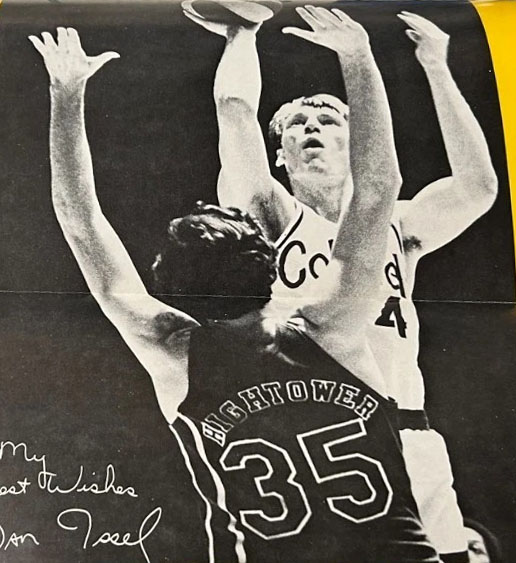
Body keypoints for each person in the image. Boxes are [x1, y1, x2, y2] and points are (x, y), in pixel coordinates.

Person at [29, 21, 441, 562]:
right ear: (270, 266)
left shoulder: (175, 351)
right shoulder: (333, 327)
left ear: (176, 292)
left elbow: (81, 223)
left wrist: (66, 93)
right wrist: (358, 56)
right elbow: (379, 189)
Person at [182, 3, 499, 561]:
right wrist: (241, 33)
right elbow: (234, 112)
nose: (312, 128)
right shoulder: (270, 215)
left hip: (406, 425)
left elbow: (479, 187)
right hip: (319, 427)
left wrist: (437, 68)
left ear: (359, 144)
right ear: (280, 156)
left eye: (329, 120)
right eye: (297, 124)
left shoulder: (399, 224)